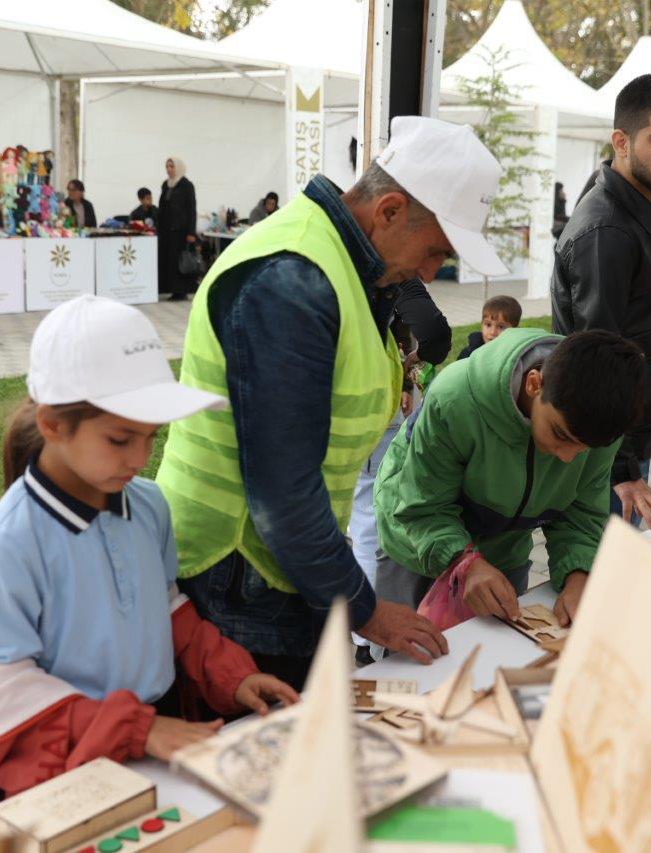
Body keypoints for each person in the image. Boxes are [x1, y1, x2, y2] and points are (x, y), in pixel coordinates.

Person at [156, 116, 508, 690]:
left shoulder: (350, 269)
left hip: (276, 567)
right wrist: (364, 609)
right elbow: (283, 489)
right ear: (389, 210)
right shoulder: (292, 279)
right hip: (235, 572)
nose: (430, 272)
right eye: (433, 253)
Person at [0, 295, 298, 816]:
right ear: (55, 424)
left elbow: (168, 608)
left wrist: (231, 675)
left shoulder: (147, 506)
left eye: (151, 437)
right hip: (66, 764)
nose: (140, 458)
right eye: (121, 438)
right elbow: (5, 693)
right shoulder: (6, 548)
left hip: (151, 745)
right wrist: (139, 728)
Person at [373, 328, 645, 628]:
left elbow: (581, 513)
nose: (567, 457)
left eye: (584, 450)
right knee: (406, 658)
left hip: (502, 550)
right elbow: (423, 507)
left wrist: (579, 573)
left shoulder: (597, 427)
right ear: (534, 384)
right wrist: (465, 563)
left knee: (497, 650)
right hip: (413, 540)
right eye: (559, 435)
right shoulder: (455, 399)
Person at [551, 72, 651, 532]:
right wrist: (623, 472)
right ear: (621, 140)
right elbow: (595, 366)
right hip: (606, 453)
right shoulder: (607, 231)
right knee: (600, 588)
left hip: (630, 436)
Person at [349, 279, 452, 663]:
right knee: (372, 523)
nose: (429, 267)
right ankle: (368, 633)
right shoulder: (398, 276)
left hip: (364, 411)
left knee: (364, 521)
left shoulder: (347, 271)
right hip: (387, 411)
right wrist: (414, 363)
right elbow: (435, 333)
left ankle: (364, 637)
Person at [157, 157, 199, 301]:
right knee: (169, 261)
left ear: (178, 168)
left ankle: (181, 291)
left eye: (172, 167)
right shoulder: (166, 185)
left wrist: (191, 232)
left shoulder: (187, 185)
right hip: (167, 230)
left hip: (181, 231)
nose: (169, 169)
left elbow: (192, 210)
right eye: (167, 166)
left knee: (180, 261)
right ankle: (171, 289)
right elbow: (162, 207)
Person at [459, 294, 522, 360]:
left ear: (515, 330)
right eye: (488, 325)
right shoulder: (468, 354)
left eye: (501, 327)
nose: (492, 332)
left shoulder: (519, 355)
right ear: (482, 323)